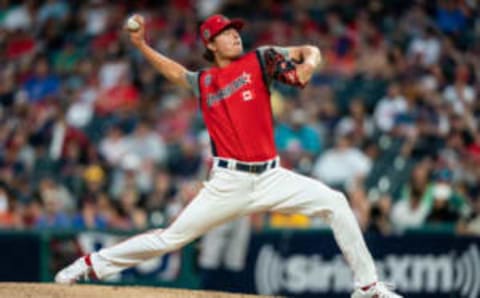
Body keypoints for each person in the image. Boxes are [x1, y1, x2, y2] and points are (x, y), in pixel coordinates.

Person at [55, 14, 402, 298]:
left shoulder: (260, 59)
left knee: (336, 202)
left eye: (235, 30)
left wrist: (311, 54)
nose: (235, 35)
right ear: (210, 43)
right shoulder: (203, 81)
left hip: (271, 176)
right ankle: (89, 264)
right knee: (170, 238)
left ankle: (368, 286)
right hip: (228, 181)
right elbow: (177, 73)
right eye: (225, 32)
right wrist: (142, 45)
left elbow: (300, 63)